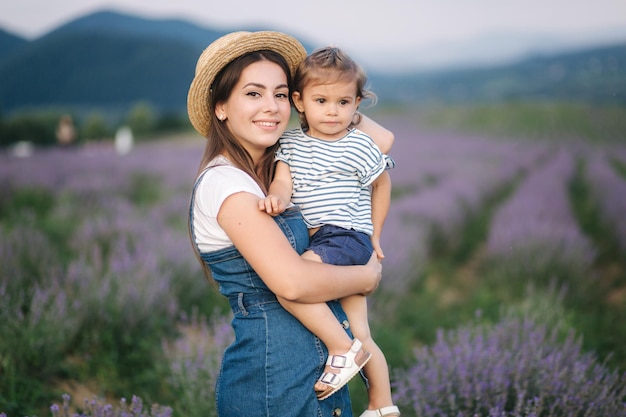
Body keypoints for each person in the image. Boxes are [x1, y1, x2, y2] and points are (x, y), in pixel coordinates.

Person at [187, 31, 384, 417]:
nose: (272, 107)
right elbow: (292, 282)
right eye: (253, 93)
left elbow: (383, 139)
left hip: (313, 378)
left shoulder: (277, 172)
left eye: (280, 94)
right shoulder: (226, 183)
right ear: (221, 107)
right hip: (273, 385)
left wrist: (334, 102)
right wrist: (366, 277)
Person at [259, 46, 400, 417]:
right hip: (321, 237)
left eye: (343, 102)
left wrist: (376, 234)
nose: (333, 111)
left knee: (291, 282)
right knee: (362, 331)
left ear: (357, 105)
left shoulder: (359, 146)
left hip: (344, 235)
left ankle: (341, 349)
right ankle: (381, 405)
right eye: (321, 100)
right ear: (299, 101)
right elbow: (283, 180)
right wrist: (276, 196)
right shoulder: (289, 142)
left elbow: (381, 185)